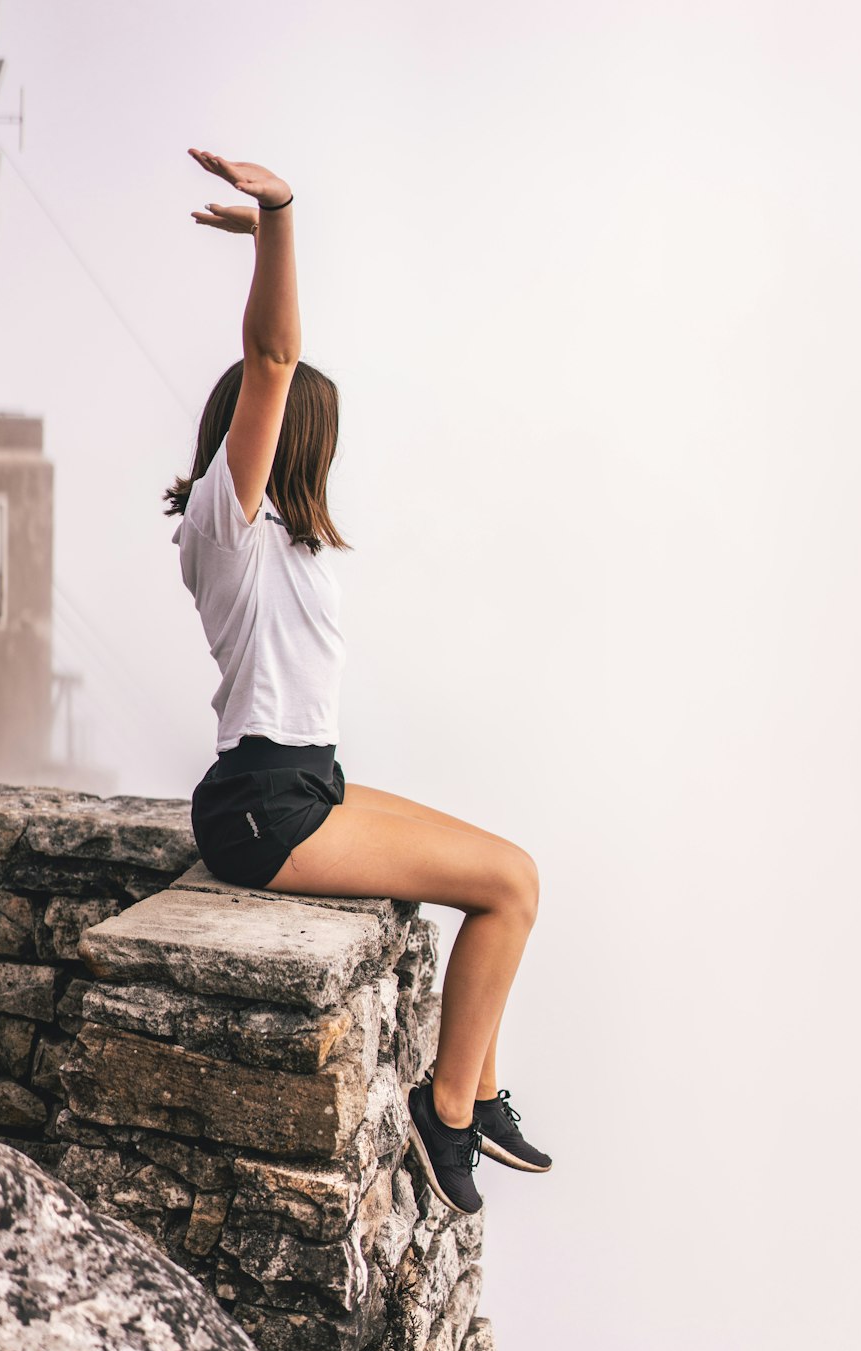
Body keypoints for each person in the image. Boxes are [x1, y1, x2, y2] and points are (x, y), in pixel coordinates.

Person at [166, 148, 552, 1215]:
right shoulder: (226, 524)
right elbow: (275, 353)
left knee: (509, 870)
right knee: (511, 887)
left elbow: (285, 354)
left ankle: (470, 1084)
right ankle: (450, 1112)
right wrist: (281, 214)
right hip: (261, 807)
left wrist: (268, 252)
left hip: (301, 781)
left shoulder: (282, 538)